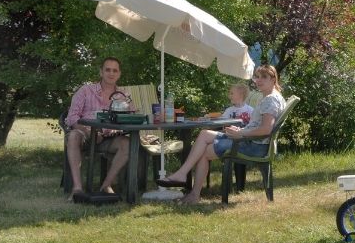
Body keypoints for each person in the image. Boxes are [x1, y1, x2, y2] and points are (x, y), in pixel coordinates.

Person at [158, 64, 286, 203]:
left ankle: (191, 191)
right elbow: (261, 127)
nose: (259, 80)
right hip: (250, 140)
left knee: (204, 151)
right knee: (204, 134)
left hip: (254, 146)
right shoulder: (272, 97)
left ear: (274, 79)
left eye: (264, 77)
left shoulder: (270, 100)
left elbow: (266, 129)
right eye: (257, 77)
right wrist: (241, 131)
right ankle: (184, 177)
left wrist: (241, 134)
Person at [64, 57, 132, 200]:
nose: (111, 73)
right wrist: (86, 130)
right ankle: (77, 188)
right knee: (73, 136)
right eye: (107, 69)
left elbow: (130, 118)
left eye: (115, 70)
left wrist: (116, 128)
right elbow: (72, 117)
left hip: (109, 137)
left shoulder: (123, 95)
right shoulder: (86, 90)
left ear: (119, 74)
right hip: (85, 134)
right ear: (101, 72)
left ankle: (106, 186)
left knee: (127, 144)